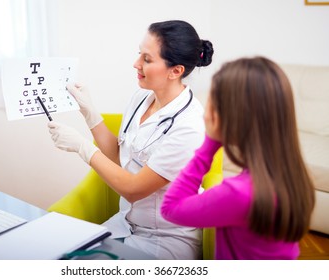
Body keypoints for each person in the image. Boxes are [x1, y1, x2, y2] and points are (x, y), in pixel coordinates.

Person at [48, 20, 214, 259]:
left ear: (175, 71)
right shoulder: (142, 97)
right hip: (126, 224)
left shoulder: (190, 126)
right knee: (61, 256)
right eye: (139, 54)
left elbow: (134, 190)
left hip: (166, 239)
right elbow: (120, 158)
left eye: (147, 59)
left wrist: (83, 148)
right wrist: (90, 114)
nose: (136, 64)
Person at [161, 56, 316, 259]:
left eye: (211, 103)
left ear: (229, 118)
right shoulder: (294, 178)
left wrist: (210, 143)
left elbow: (170, 209)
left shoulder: (239, 193)